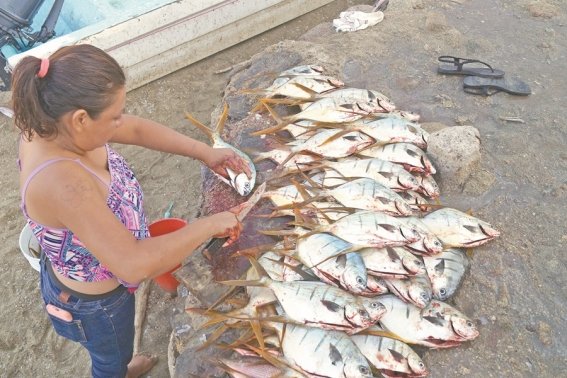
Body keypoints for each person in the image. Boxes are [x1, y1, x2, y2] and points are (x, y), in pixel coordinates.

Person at [11, 44, 250, 377]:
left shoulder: (59, 125)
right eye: (114, 117)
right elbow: (133, 263)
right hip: (96, 305)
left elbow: (135, 129)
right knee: (109, 358)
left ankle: (121, 363)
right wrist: (211, 224)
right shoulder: (61, 181)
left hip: (101, 276)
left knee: (116, 351)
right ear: (81, 119)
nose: (120, 122)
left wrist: (205, 153)